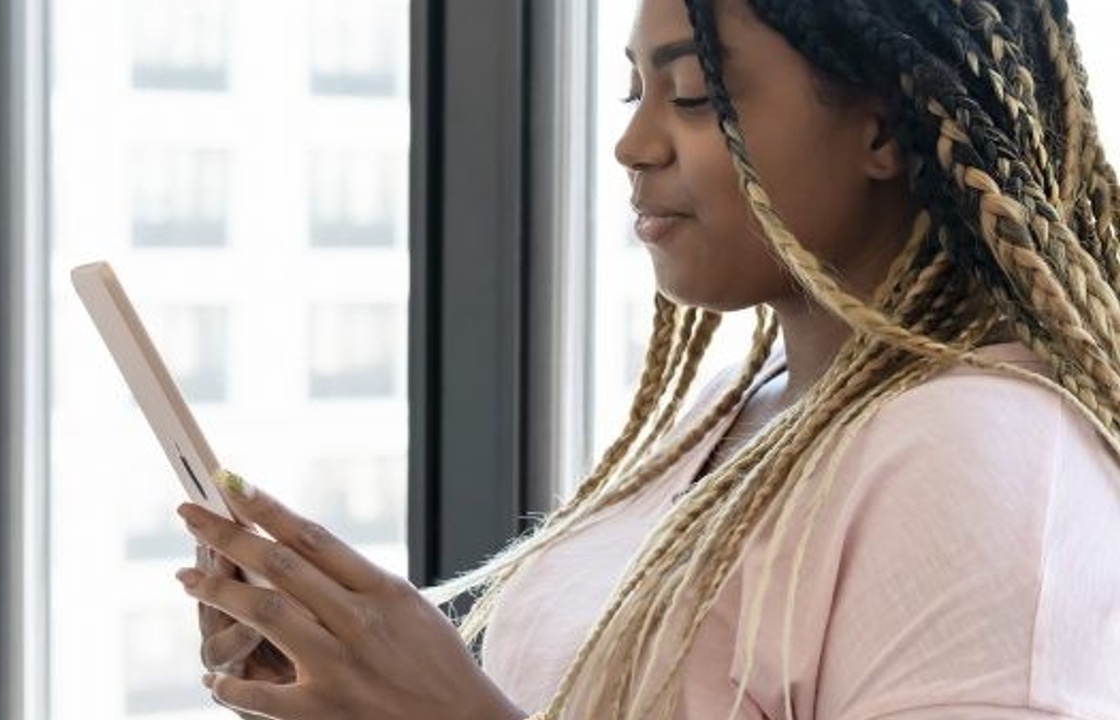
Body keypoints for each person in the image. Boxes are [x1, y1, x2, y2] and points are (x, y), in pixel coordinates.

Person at [172, 0, 1120, 718]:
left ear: (882, 128)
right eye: (635, 90)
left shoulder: (982, 452)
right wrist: (344, 682)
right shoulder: (736, 414)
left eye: (696, 95)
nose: (632, 143)